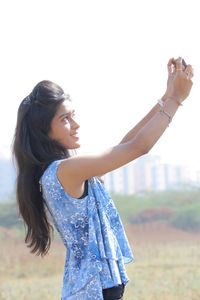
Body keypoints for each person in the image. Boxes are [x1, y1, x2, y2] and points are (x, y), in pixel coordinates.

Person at [12, 57, 193, 300]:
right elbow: (138, 147)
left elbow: (127, 145)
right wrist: (176, 100)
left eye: (73, 115)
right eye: (65, 119)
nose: (76, 124)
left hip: (92, 290)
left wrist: (166, 96)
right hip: (93, 291)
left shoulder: (64, 171)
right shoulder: (65, 170)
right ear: (43, 130)